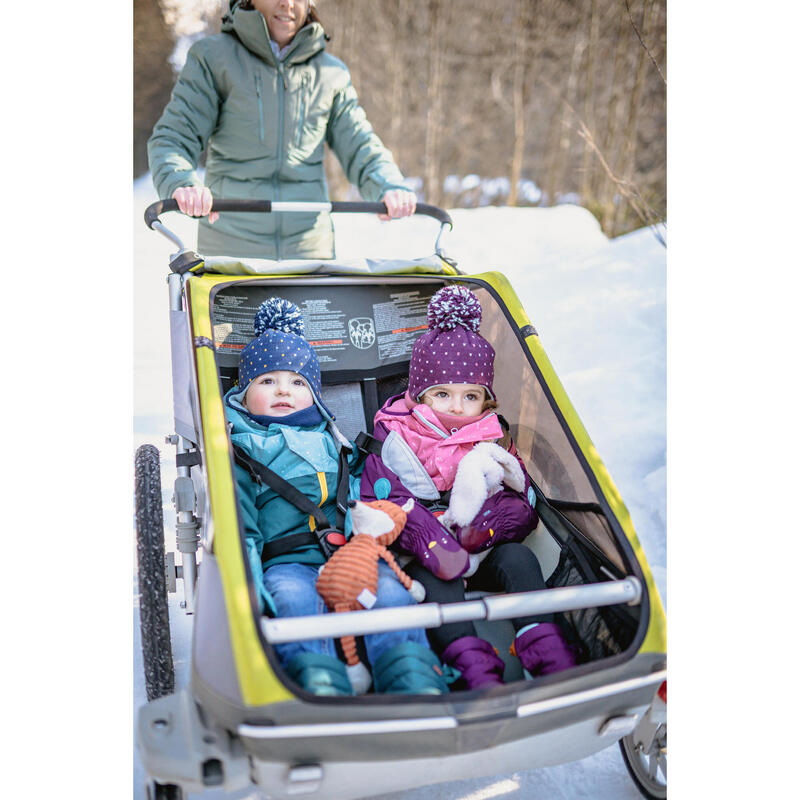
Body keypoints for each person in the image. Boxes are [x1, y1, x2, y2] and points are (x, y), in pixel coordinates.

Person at [225, 296, 448, 696]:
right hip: (287, 560)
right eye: (267, 381)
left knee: (392, 595)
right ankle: (319, 684)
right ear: (244, 393)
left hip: (349, 552)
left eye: (298, 382)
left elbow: (363, 494)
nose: (283, 391)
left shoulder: (335, 442)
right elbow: (242, 528)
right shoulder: (243, 449)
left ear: (314, 394)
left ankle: (412, 680)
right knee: (292, 602)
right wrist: (249, 586)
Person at [360, 286, 578, 690]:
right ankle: (475, 670)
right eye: (442, 394)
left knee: (519, 561)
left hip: (483, 545)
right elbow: (378, 497)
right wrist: (429, 539)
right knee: (436, 586)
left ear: (486, 400)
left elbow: (521, 502)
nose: (457, 407)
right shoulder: (392, 436)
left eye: (470, 396)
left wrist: (483, 531)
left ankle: (551, 658)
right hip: (423, 553)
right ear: (418, 394)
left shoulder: (493, 440)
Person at [148, 0, 417, 259]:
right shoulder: (212, 59)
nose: (287, 3)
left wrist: (387, 185)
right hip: (232, 256)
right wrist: (182, 184)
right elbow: (173, 138)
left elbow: (360, 145)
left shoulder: (330, 74)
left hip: (308, 256)